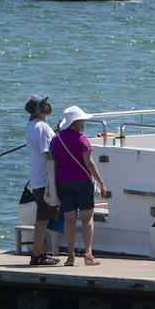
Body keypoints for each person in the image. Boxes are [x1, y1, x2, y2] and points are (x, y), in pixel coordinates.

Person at [51, 105, 108, 266]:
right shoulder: (82, 139)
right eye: (81, 120)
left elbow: (53, 161)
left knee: (69, 219)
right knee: (86, 218)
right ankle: (88, 254)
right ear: (76, 122)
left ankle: (70, 256)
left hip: (62, 181)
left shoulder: (57, 139)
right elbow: (89, 163)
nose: (83, 122)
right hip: (82, 181)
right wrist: (101, 182)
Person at [23, 95, 60, 266]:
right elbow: (49, 154)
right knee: (43, 218)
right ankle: (37, 254)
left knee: (44, 216)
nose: (47, 105)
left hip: (38, 178)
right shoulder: (42, 127)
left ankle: (41, 253)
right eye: (44, 104)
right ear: (39, 110)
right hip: (46, 179)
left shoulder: (31, 126)